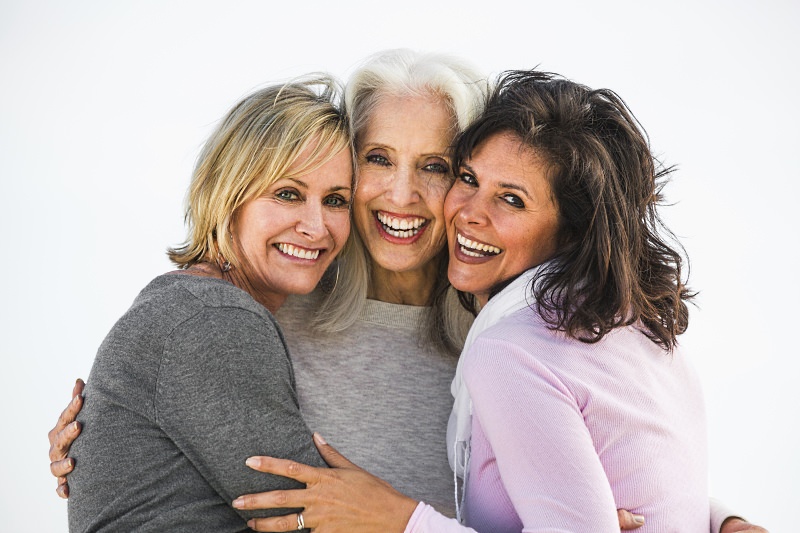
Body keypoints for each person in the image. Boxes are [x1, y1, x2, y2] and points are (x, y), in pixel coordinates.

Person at [49, 52, 756, 532]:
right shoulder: (273, 311)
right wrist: (106, 434)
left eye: (439, 165)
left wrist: (712, 517)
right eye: (378, 158)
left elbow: (614, 448)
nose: (402, 194)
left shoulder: (504, 338)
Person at [65, 76, 354, 532]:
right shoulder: (215, 319)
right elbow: (319, 518)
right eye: (287, 194)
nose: (317, 227)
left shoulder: (188, 304)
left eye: (336, 200)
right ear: (228, 195)